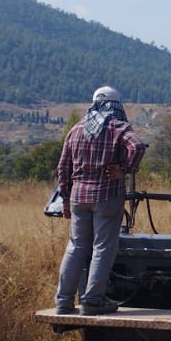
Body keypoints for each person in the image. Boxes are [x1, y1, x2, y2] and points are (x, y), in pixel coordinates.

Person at [54, 86, 147, 316]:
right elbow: (137, 146)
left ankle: (64, 301)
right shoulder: (117, 127)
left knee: (75, 246)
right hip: (106, 196)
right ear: (115, 105)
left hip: (78, 198)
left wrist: (65, 198)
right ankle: (93, 299)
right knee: (102, 247)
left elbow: (62, 167)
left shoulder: (75, 130)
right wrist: (125, 169)